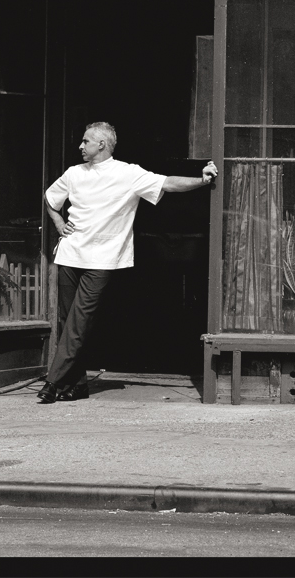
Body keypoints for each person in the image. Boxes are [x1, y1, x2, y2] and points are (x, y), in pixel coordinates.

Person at [37, 121, 217, 404]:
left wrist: (202, 180)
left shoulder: (127, 174)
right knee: (67, 320)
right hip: (70, 254)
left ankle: (54, 380)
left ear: (101, 145)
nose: (80, 146)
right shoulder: (73, 174)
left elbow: (167, 183)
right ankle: (78, 384)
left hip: (103, 259)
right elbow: (50, 198)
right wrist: (59, 222)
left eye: (85, 141)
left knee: (79, 321)